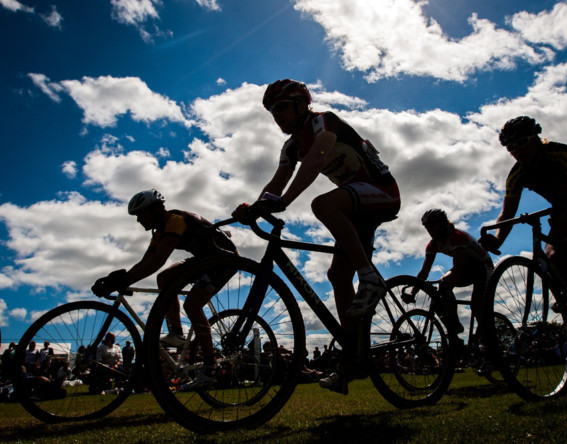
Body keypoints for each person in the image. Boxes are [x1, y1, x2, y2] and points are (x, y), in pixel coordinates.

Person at [233, 79, 400, 395]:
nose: (276, 115)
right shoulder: (291, 146)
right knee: (337, 276)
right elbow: (277, 181)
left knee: (322, 203)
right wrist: (253, 209)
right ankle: (354, 359)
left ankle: (371, 279)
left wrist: (285, 200)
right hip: (355, 206)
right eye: (271, 111)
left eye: (281, 107)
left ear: (301, 104)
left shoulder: (323, 120)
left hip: (382, 193)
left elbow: (317, 157)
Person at [479, 116, 567, 331]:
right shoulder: (517, 174)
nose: (517, 150)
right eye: (510, 147)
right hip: (564, 213)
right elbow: (507, 213)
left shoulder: (562, 153)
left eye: (522, 142)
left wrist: (566, 221)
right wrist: (497, 240)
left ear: (536, 137)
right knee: (553, 257)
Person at [92, 189, 239, 388]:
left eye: (140, 214)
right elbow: (146, 260)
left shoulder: (175, 220)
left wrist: (124, 280)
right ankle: (177, 332)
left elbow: (158, 260)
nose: (138, 220)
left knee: (193, 305)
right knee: (165, 278)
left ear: (155, 209)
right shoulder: (159, 231)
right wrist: (123, 278)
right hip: (205, 259)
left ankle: (211, 365)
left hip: (224, 259)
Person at [411, 209, 493, 335]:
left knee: (476, 306)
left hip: (483, 267)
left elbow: (458, 267)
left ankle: (488, 337)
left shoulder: (457, 237)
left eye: (433, 225)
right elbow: (424, 271)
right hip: (467, 267)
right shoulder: (433, 244)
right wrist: (413, 293)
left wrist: (446, 289)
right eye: (427, 227)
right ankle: (455, 325)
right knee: (443, 286)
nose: (430, 230)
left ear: (443, 224)